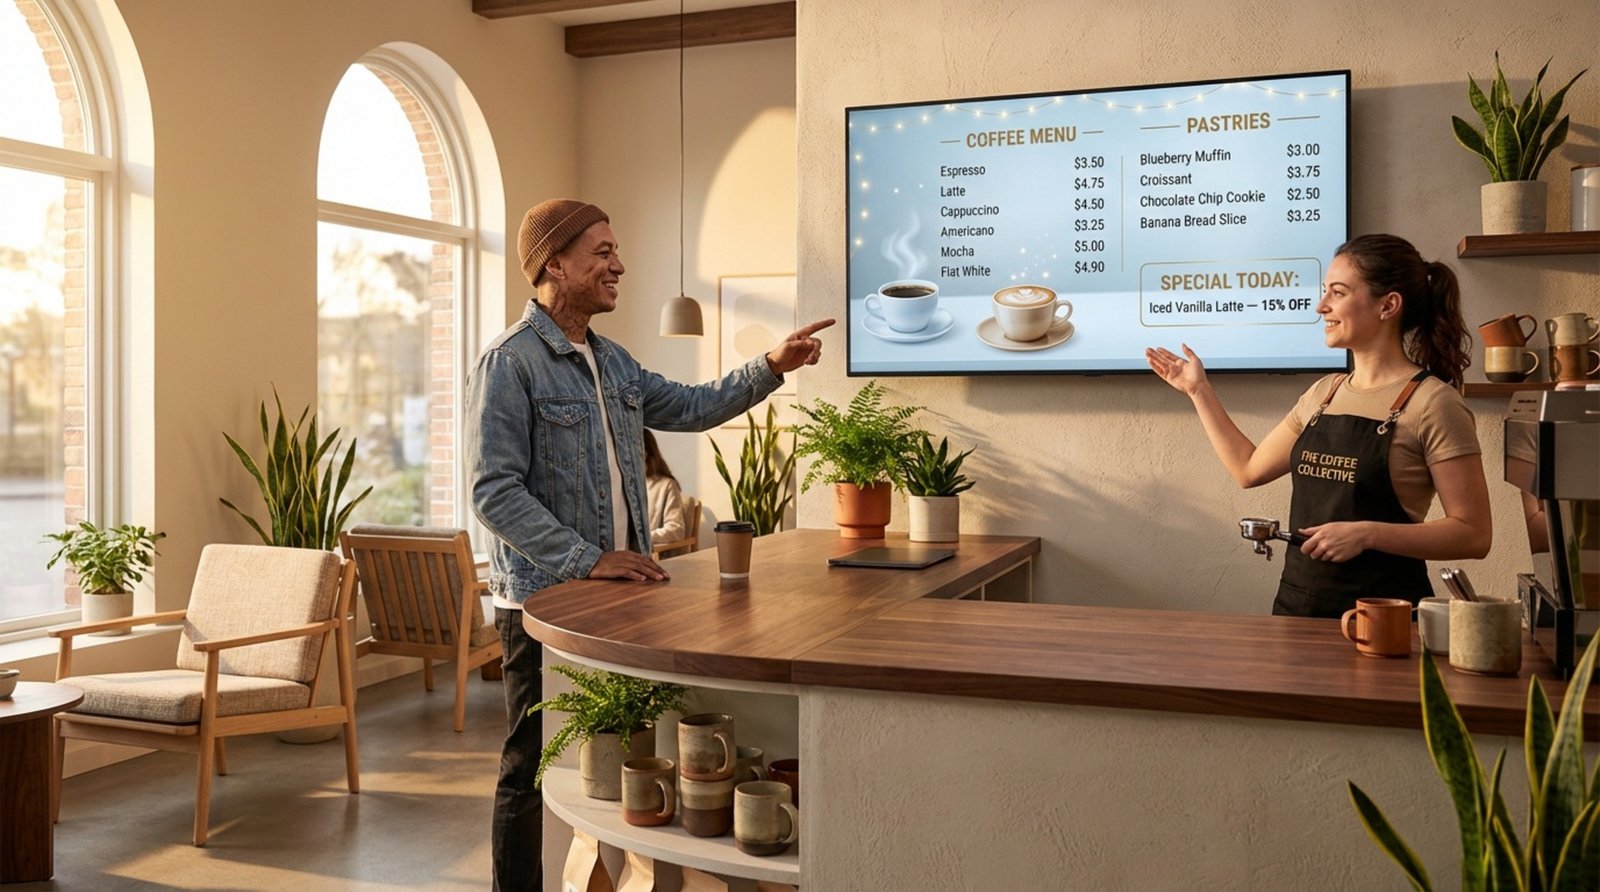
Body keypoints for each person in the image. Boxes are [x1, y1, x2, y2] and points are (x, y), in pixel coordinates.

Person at [465, 198, 833, 891]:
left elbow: (691, 407)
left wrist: (771, 366)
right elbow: (493, 491)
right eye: (601, 252)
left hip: (619, 601)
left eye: (615, 250)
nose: (619, 264)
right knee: (532, 764)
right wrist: (587, 559)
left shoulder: (613, 361)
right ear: (554, 263)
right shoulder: (508, 365)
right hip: (545, 604)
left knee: (611, 762)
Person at [1144, 233, 1491, 618]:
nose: (1320, 306)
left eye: (1337, 293)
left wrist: (1366, 533)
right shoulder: (1324, 393)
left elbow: (1474, 533)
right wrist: (1198, 390)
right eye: (1324, 291)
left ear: (1388, 305)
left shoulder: (1434, 403)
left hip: (1384, 620)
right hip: (1297, 609)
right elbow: (1248, 469)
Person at [642, 429, 691, 547]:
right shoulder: (619, 485)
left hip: (647, 555)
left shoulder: (666, 485)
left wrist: (645, 538)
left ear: (646, 452)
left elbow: (676, 530)